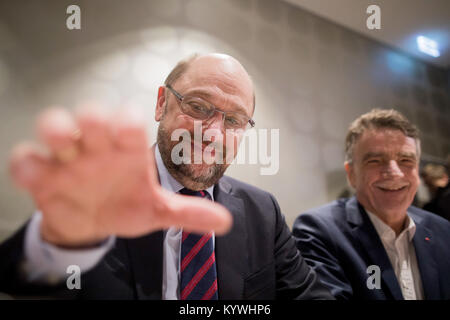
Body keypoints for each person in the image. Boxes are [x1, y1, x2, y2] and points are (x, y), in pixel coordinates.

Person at [0, 53, 332, 300]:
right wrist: (59, 243)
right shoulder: (101, 192)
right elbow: (15, 279)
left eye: (234, 121)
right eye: (199, 107)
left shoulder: (263, 211)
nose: (213, 134)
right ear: (162, 104)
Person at [292, 109, 450, 300]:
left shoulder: (442, 230)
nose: (394, 172)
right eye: (375, 160)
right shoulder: (318, 231)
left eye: (405, 160)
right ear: (351, 174)